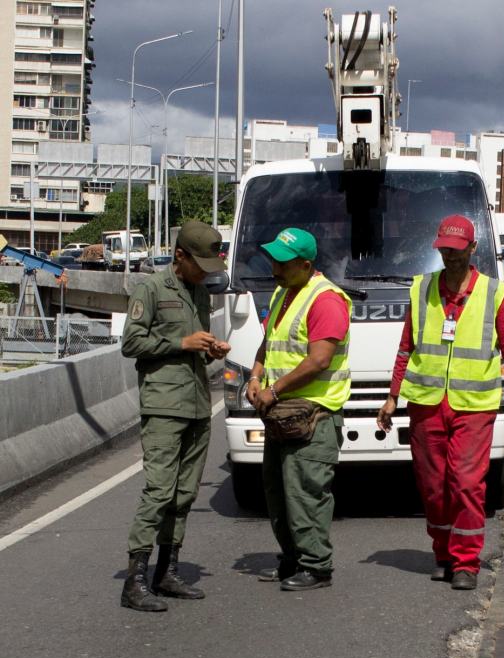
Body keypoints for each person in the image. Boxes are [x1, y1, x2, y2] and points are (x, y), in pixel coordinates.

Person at [376, 215, 504, 591]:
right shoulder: (422, 289)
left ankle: (466, 562)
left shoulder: (494, 293)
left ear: (473, 249)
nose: (450, 257)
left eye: (457, 250)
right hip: (426, 403)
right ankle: (443, 554)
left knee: (466, 483)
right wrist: (393, 395)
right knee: (433, 486)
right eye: (445, 249)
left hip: (474, 405)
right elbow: (406, 347)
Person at [120, 220, 230, 612]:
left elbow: (192, 342)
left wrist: (209, 348)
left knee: (184, 494)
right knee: (160, 490)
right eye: (199, 264)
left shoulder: (198, 291)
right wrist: (181, 342)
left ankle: (166, 571)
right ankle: (135, 579)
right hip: (164, 404)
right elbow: (131, 342)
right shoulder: (151, 289)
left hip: (198, 402)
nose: (205, 273)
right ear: (179, 255)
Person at [246, 228, 351, 591]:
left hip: (313, 415)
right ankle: (292, 558)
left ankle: (317, 566)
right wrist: (255, 376)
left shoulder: (326, 299)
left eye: (283, 263)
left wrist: (273, 389)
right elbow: (269, 342)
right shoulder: (284, 292)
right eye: (273, 259)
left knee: (306, 492)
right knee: (278, 492)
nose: (275, 267)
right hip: (282, 413)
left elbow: (319, 359)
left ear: (306, 265)